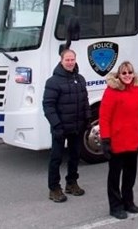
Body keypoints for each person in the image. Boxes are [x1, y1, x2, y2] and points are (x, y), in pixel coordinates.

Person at [99, 61, 138, 220]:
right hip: (117, 141)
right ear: (119, 75)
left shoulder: (137, 89)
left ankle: (128, 201)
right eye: (124, 73)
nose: (127, 76)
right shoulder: (111, 92)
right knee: (114, 176)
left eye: (130, 72)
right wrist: (105, 139)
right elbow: (104, 118)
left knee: (130, 174)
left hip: (132, 139)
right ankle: (115, 206)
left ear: (133, 74)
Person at [43, 49, 91, 203]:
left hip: (77, 126)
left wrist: (87, 119)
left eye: (72, 60)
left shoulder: (80, 79)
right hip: (60, 127)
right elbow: (48, 106)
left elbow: (85, 101)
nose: (70, 62)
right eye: (67, 60)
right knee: (56, 158)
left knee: (74, 156)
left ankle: (71, 183)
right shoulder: (53, 81)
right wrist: (56, 125)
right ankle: (54, 188)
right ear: (61, 60)